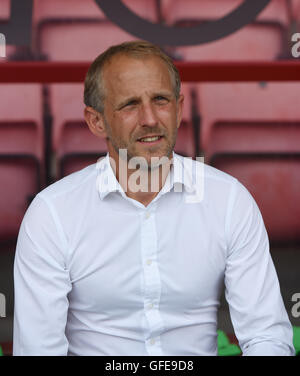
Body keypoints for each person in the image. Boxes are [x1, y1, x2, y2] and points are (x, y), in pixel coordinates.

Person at [13, 41, 295, 356]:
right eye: (130, 104)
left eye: (160, 100)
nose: (149, 118)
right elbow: (38, 350)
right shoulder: (52, 213)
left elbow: (267, 338)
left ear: (178, 108)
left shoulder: (229, 201)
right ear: (97, 121)